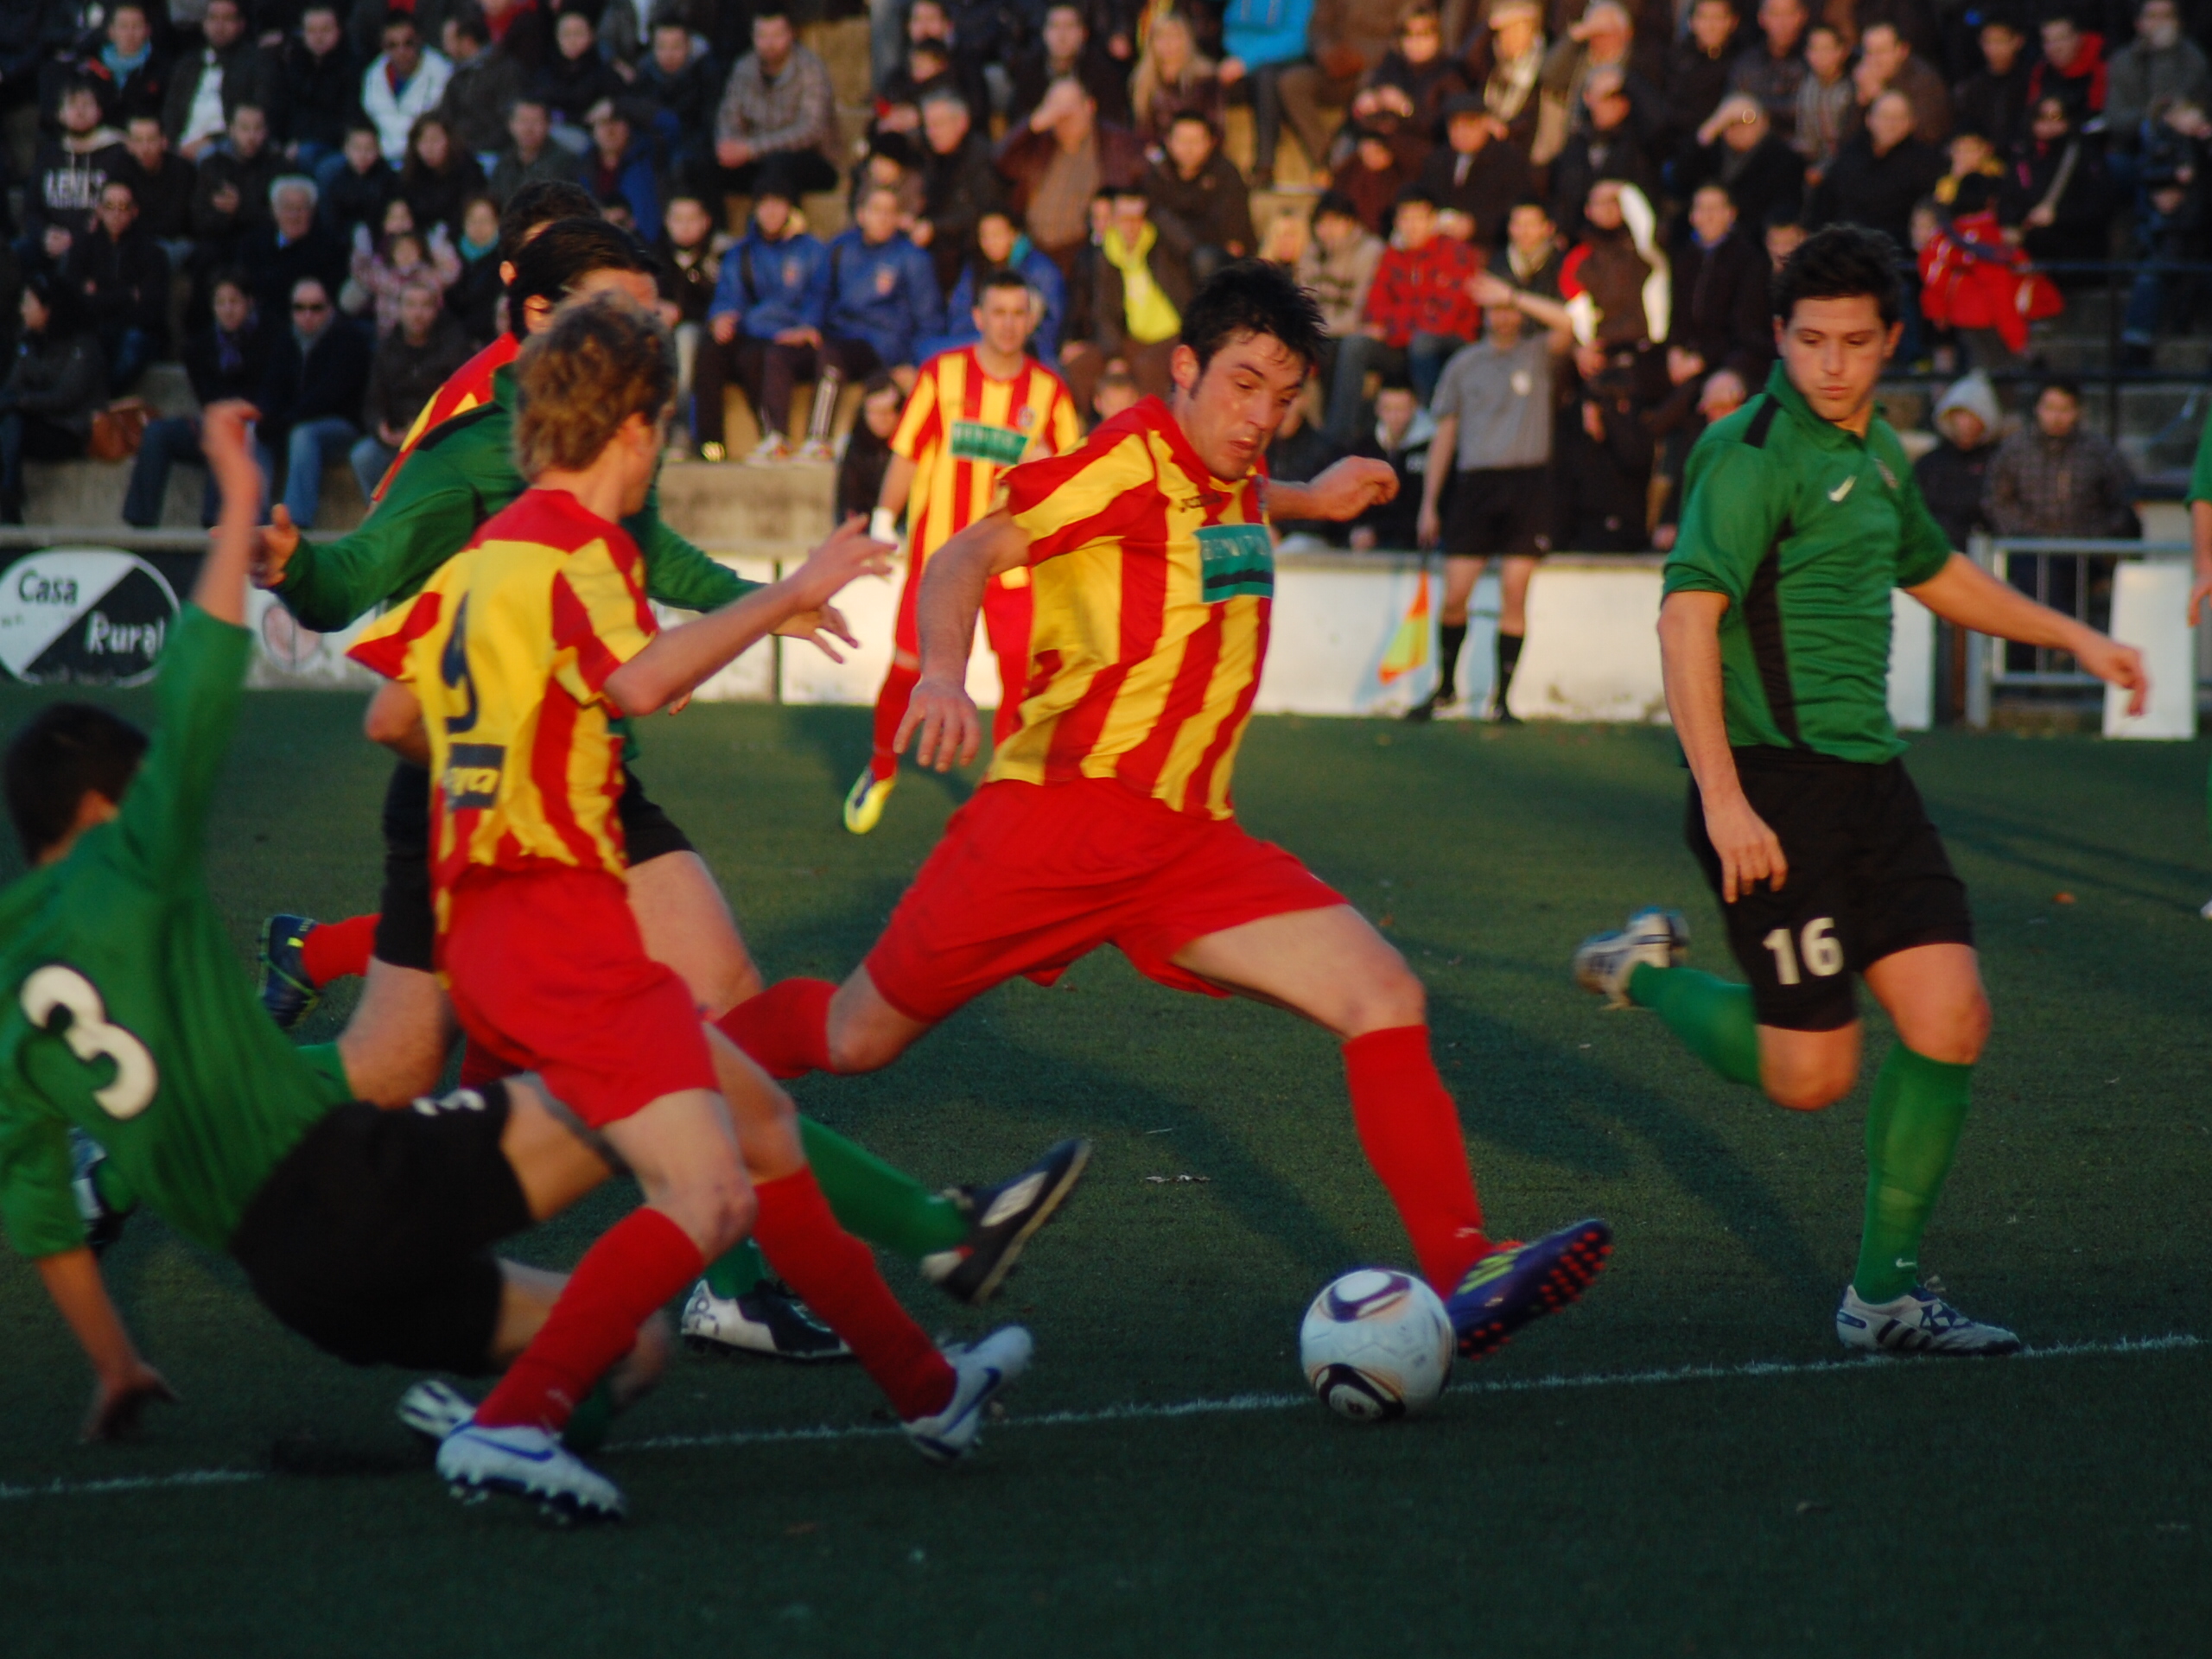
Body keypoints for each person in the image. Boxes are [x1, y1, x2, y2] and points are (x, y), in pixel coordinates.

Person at [721, 259, 1614, 1366]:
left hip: (1188, 843)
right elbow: (965, 554)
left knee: (1382, 989)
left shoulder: (1234, 472)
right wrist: (945, 676)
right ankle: (692, 1062)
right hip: (1057, 827)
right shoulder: (1128, 457)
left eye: (1282, 399)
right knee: (856, 1036)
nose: (1260, 419)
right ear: (1184, 370)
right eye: (1241, 387)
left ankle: (1464, 1264)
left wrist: (1313, 495)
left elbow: (1222, 505)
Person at [256, 216, 1087, 1359]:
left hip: (585, 799)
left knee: (701, 1021)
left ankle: (748, 1290)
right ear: (542, 318)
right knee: (406, 1072)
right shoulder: (484, 446)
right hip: (497, 812)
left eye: (652, 309)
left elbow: (647, 582)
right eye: (622, 306)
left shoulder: (604, 436)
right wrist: (297, 567)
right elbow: (362, 593)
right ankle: (182, 1107)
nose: (648, 328)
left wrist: (760, 596)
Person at [341, 294, 1033, 1517]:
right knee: (707, 1194)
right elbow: (644, 683)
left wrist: (499, 756)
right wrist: (790, 589)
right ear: (639, 428)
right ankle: (514, 1423)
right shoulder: (580, 548)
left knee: (761, 1130)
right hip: (555, 922)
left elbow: (390, 718)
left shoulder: (489, 548)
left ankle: (929, 1390)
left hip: (492, 925)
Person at [1, 402, 675, 1466]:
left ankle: (493, 1435)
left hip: (299, 1287)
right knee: (660, 1092)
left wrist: (116, 1361)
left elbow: (39, 1210)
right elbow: (201, 678)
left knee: (619, 1337)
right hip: (350, 1180)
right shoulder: (131, 858)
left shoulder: (10, 984)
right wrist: (233, 492)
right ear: (96, 811)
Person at [1573, 225, 2147, 1357]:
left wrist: (2073, 633)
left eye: (1855, 343)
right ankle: (1644, 972)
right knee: (1810, 1077)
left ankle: (1883, 1298)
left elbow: (1934, 571)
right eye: (1809, 341)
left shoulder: (1884, 451)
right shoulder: (1751, 456)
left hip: (1874, 784)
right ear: (1780, 336)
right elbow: (1686, 617)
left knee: (1952, 1018)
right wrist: (1724, 800)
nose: (1831, 364)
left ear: (1891, 343)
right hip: (1770, 793)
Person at [845, 270, 1084, 836]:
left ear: (1032, 319)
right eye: (997, 312)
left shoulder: (1049, 392)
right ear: (977, 316)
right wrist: (883, 522)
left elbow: (1073, 479)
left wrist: (1050, 467)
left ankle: (1000, 793)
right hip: (942, 562)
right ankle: (880, 770)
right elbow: (906, 454)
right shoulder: (942, 375)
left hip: (1014, 569)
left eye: (1018, 313)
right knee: (909, 669)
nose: (1007, 324)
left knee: (1021, 683)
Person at [1411, 276, 1570, 721]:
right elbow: (1445, 434)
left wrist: (1514, 293)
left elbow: (1567, 324)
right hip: (1476, 485)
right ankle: (1445, 688)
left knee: (1514, 592)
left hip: (1528, 483)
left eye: (1509, 308)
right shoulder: (1464, 364)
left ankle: (1503, 700)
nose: (1503, 315)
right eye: (1495, 307)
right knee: (1455, 593)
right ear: (1483, 314)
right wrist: (1430, 502)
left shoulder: (1537, 354)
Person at [1327, 185, 1480, 443]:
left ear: (1433, 220)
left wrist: (1391, 326)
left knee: (1424, 341)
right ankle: (1339, 438)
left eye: (1418, 218)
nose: (1411, 226)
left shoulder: (1456, 253)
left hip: (1451, 343)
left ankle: (1433, 432)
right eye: (1405, 219)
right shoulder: (1393, 255)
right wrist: (1403, 320)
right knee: (1355, 345)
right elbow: (1373, 308)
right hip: (1404, 343)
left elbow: (1442, 318)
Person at [693, 175, 829, 463]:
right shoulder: (741, 252)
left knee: (755, 358)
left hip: (790, 335)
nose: (771, 212)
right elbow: (728, 294)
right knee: (709, 353)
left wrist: (807, 327)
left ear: (791, 209)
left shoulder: (811, 251)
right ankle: (710, 447)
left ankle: (773, 435)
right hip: (751, 329)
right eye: (764, 205)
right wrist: (721, 317)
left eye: (778, 205)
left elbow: (820, 295)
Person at [122, 266, 269, 528]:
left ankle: (213, 523)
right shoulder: (200, 348)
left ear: (249, 303)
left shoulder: (271, 339)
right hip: (214, 420)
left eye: (234, 301)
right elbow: (207, 397)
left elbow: (268, 396)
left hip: (255, 427)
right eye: (220, 303)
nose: (227, 309)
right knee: (158, 433)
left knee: (225, 430)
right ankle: (140, 522)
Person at [805, 184, 946, 453]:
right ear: (861, 215)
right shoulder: (840, 249)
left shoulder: (913, 259)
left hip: (884, 347)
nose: (883, 218)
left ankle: (818, 439)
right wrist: (810, 326)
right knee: (773, 354)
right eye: (877, 211)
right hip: (841, 334)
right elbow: (819, 293)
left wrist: (914, 363)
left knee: (833, 356)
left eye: (890, 212)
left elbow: (929, 320)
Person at [995, 76, 1148, 276]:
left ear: (1089, 106)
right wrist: (1031, 126)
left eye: (1069, 108)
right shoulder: (1038, 144)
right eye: (1055, 109)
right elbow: (1001, 162)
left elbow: (1141, 183)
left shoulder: (1115, 143)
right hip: (1034, 250)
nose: (1063, 117)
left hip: (1084, 253)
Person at [253, 275, 370, 529]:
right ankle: (255, 519)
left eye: (316, 308)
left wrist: (283, 421)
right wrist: (267, 417)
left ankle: (294, 523)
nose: (307, 315)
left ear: (329, 307)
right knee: (254, 431)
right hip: (293, 421)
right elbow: (272, 387)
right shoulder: (285, 340)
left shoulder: (348, 340)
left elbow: (328, 396)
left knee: (303, 434)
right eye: (300, 308)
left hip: (342, 427)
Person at [350, 276, 473, 498]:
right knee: (364, 456)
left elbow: (461, 399)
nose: (418, 313)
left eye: (425, 305)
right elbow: (373, 400)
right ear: (398, 309)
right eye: (410, 304)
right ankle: (380, 517)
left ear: (436, 309)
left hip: (438, 436)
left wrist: (423, 428)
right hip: (396, 436)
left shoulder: (454, 346)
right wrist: (381, 429)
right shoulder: (386, 348)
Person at [0, 274, 105, 524]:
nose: (22, 309)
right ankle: (8, 499)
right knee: (9, 419)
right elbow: (13, 386)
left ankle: (9, 495)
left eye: (29, 302)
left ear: (47, 309)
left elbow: (66, 397)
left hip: (68, 430)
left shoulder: (83, 346)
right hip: (33, 423)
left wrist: (22, 401)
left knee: (13, 418)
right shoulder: (28, 343)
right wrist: (15, 400)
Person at [1985, 378, 2138, 541]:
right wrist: (2027, 534)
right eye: (2050, 408)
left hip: (2087, 552)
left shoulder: (2100, 451)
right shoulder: (2014, 450)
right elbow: (1997, 501)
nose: (2056, 417)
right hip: (2026, 551)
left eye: (2064, 409)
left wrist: (2093, 536)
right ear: (2038, 409)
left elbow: (2124, 501)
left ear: (2078, 410)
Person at [713, 8, 841, 200]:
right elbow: (729, 116)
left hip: (810, 159)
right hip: (756, 157)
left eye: (777, 35)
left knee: (778, 166)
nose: (769, 44)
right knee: (703, 164)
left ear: (791, 34)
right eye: (762, 36)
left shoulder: (810, 68)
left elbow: (810, 131)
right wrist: (729, 145)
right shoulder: (743, 67)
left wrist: (752, 149)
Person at [61, 177, 167, 394]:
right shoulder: (82, 248)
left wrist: (98, 298)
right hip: (95, 329)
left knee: (133, 343)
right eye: (109, 207)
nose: (116, 214)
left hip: (135, 331)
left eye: (123, 207)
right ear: (99, 210)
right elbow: (72, 301)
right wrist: (128, 295)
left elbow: (151, 310)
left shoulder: (152, 253)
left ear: (134, 211)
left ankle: (104, 399)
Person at [1090, 186, 1191, 401]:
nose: (1131, 226)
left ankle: (1151, 430)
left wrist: (1154, 212)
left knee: (1147, 368)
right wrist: (1113, 354)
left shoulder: (1160, 243)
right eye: (1125, 219)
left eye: (1137, 218)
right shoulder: (1107, 254)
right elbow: (1105, 310)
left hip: (1172, 334)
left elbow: (1187, 245)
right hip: (1133, 337)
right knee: (1084, 365)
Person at [22, 78, 130, 269]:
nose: (80, 112)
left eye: (86, 105)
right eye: (72, 105)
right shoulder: (49, 154)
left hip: (96, 243)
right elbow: (32, 207)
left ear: (99, 112)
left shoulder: (117, 154)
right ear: (60, 114)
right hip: (50, 239)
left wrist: (75, 238)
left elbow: (119, 210)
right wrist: (44, 234)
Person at [1143, 112, 1255, 291]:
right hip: (1173, 251)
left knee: (1203, 259)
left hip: (1217, 258)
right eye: (1182, 141)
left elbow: (1231, 235)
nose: (1189, 148)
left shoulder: (1225, 174)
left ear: (1210, 142)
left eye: (1195, 141)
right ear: (1169, 142)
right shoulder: (1158, 175)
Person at [940, 209, 1068, 364]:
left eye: (997, 234)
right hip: (979, 345)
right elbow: (958, 316)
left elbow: (1051, 327)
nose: (990, 242)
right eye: (985, 236)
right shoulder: (976, 267)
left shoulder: (1040, 270)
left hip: (1030, 352)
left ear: (1014, 234)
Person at [1295, 189, 1384, 398]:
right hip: (1317, 330)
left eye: (1335, 223)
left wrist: (1319, 328)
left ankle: (1335, 426)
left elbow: (1360, 311)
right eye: (1321, 224)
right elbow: (1302, 300)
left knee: (1330, 350)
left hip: (1348, 331)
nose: (1327, 231)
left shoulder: (1370, 252)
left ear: (1350, 223)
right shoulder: (1311, 253)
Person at [1414, 92, 1534, 250]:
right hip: (1439, 246)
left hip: (1488, 248)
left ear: (1485, 124)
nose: (1461, 133)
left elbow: (1516, 209)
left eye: (1469, 125)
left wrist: (1475, 227)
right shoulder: (1438, 159)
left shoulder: (1509, 160)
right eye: (1455, 126)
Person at [160, 0, 274, 162]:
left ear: (241, 24)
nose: (219, 26)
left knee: (207, 157)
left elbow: (260, 113)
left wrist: (211, 140)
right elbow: (171, 110)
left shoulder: (257, 63)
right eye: (213, 18)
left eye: (227, 19)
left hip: (227, 143)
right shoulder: (188, 63)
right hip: (181, 143)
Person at [1218, 0, 1316, 184]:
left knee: (1266, 79)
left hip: (1282, 58)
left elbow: (1296, 38)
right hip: (1237, 56)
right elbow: (1233, 27)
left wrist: (1246, 61)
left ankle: (1265, 163)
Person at [241, 173, 350, 321]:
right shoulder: (253, 244)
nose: (294, 215)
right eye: (287, 208)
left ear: (312, 211)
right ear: (274, 211)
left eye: (301, 208)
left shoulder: (330, 247)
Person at [1912, 371, 1999, 552]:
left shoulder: (1998, 462)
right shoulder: (1928, 464)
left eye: (1972, 416)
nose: (1966, 424)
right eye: (1960, 415)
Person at [272, 3, 360, 181]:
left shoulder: (352, 67)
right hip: (295, 142)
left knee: (309, 158)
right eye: (312, 31)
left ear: (338, 31)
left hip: (332, 144)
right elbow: (284, 109)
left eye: (325, 30)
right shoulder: (294, 64)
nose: (318, 37)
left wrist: (302, 141)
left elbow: (348, 118)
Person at [1346, 378, 1430, 550]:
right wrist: (1356, 531)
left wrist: (1379, 532)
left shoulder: (1431, 449)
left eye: (1401, 409)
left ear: (1415, 407)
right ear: (1377, 409)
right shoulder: (1365, 448)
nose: (1394, 417)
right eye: (1388, 409)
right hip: (1367, 543)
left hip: (1415, 544)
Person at [435, 10, 525, 165]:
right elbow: (446, 116)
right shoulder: (458, 75)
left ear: (467, 41)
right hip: (461, 154)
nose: (445, 47)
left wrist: (475, 147)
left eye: (450, 40)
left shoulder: (505, 71)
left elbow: (507, 119)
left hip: (494, 154)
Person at [362, 14, 453, 167]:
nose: (401, 51)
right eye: (393, 45)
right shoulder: (373, 74)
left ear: (419, 41)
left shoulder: (441, 72)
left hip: (424, 161)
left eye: (408, 43)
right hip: (380, 160)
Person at [1130, 9, 1223, 150]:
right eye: (1161, 37)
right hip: (1158, 157)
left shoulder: (1205, 79)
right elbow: (1143, 132)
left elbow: (1215, 128)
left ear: (1186, 40)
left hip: (1197, 152)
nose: (1168, 44)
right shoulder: (1142, 81)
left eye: (1174, 36)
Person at [535, 7, 624, 146]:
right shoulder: (545, 73)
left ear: (591, 36)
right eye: (566, 34)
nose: (572, 40)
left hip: (590, 140)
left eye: (578, 33)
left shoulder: (605, 73)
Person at [1953, 12, 2032, 160]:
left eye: (2000, 41)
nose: (1994, 49)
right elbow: (1968, 125)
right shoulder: (1974, 86)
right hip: (1984, 160)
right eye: (1988, 42)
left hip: (2022, 158)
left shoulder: (2031, 80)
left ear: (2018, 41)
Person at [399, 112, 486, 239]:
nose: (429, 147)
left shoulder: (468, 170)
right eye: (423, 140)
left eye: (435, 140)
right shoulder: (411, 175)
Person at [489, 98, 583, 205]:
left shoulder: (565, 163)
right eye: (523, 121)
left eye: (535, 121)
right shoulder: (504, 163)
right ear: (511, 125)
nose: (528, 129)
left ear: (548, 125)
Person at [837, 372, 903, 522]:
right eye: (875, 412)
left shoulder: (908, 448)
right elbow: (848, 504)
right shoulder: (856, 446)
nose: (883, 419)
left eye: (889, 411)